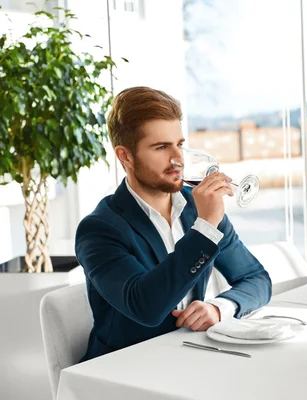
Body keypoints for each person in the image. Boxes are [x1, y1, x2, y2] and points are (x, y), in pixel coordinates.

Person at [75, 86, 272, 362]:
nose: (178, 159)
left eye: (179, 144)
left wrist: (219, 308)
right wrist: (204, 228)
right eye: (160, 147)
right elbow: (146, 307)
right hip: (122, 370)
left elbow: (257, 280)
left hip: (190, 358)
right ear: (125, 156)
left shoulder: (196, 207)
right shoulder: (99, 229)